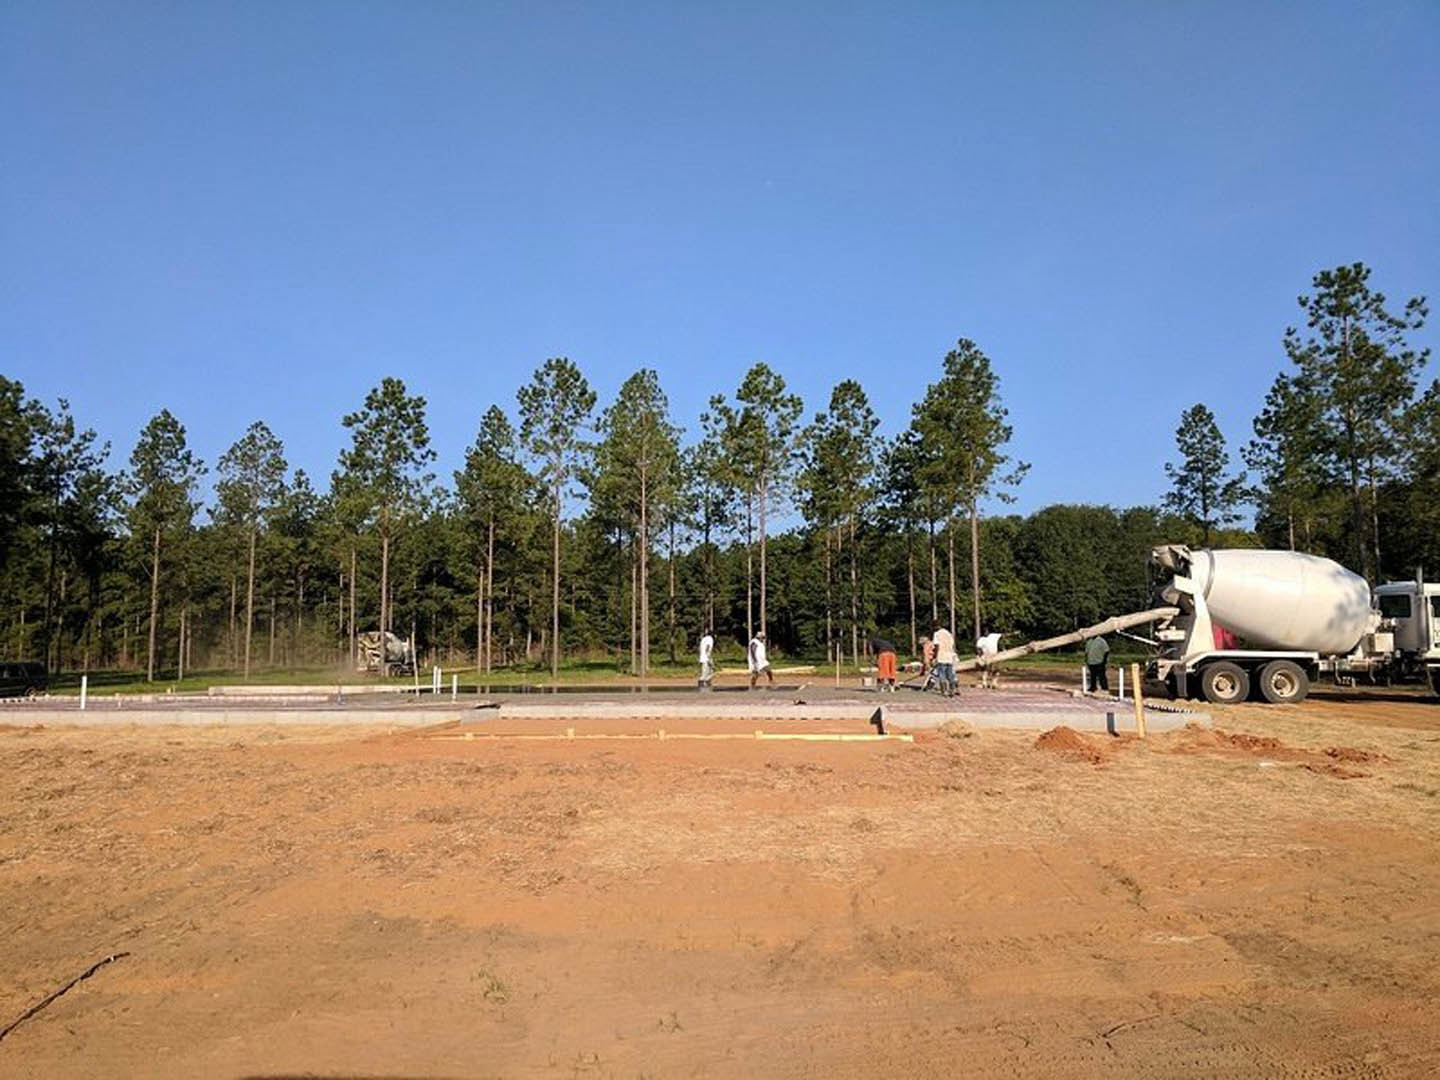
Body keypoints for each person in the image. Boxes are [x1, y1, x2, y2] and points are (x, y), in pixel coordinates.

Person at [932, 623, 958, 698]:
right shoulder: (949, 634)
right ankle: (952, 690)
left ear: (936, 626)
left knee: (942, 674)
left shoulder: (937, 634)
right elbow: (952, 645)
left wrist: (935, 657)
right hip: (949, 656)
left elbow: (937, 646)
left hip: (941, 656)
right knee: (950, 674)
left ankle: (944, 691)